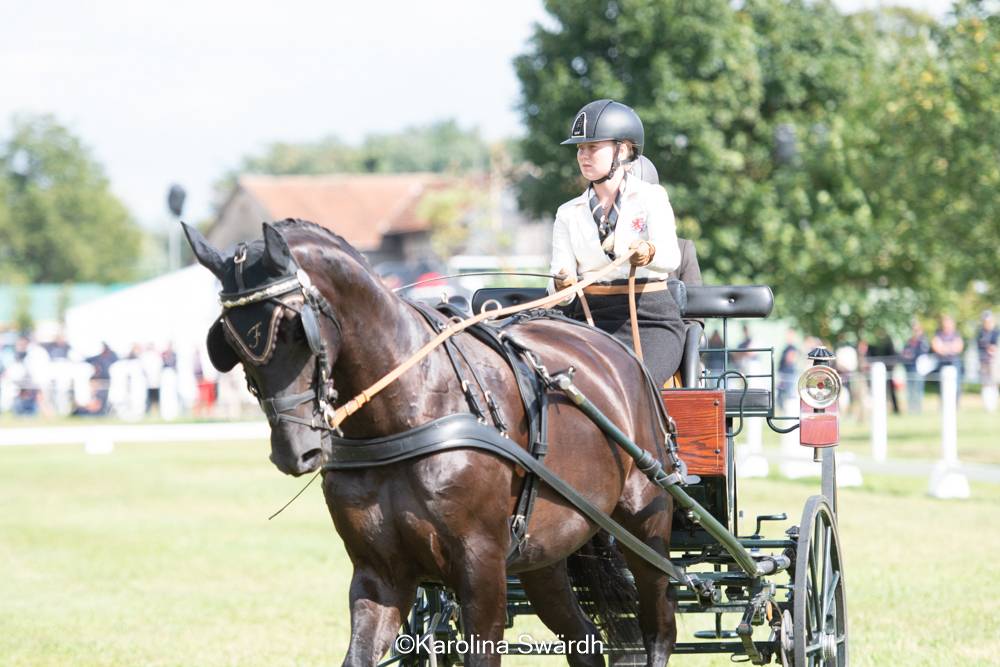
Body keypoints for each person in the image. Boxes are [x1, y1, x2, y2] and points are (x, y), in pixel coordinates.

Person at [548, 99, 683, 388]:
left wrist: (648, 253)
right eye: (580, 149)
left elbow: (671, 258)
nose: (583, 155)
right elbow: (559, 289)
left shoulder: (651, 197)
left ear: (622, 150)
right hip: (590, 320)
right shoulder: (567, 213)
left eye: (592, 147)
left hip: (651, 320)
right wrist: (561, 284)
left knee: (632, 384)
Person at [932, 314, 964, 405]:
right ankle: (943, 404)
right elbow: (936, 347)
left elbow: (958, 347)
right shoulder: (938, 334)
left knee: (956, 384)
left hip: (954, 362)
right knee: (941, 384)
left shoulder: (956, 334)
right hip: (942, 362)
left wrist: (944, 347)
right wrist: (949, 348)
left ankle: (955, 405)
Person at [900, 320, 930, 414]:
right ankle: (911, 409)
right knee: (910, 390)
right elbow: (904, 354)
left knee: (918, 389)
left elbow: (920, 354)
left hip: (918, 369)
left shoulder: (923, 341)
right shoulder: (909, 341)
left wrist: (910, 355)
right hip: (909, 368)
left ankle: (917, 409)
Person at [976, 310, 998, 412]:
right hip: (984, 361)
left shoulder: (996, 332)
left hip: (994, 362)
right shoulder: (980, 333)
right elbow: (981, 346)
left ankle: (993, 405)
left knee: (994, 383)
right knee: (985, 383)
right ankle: (987, 406)